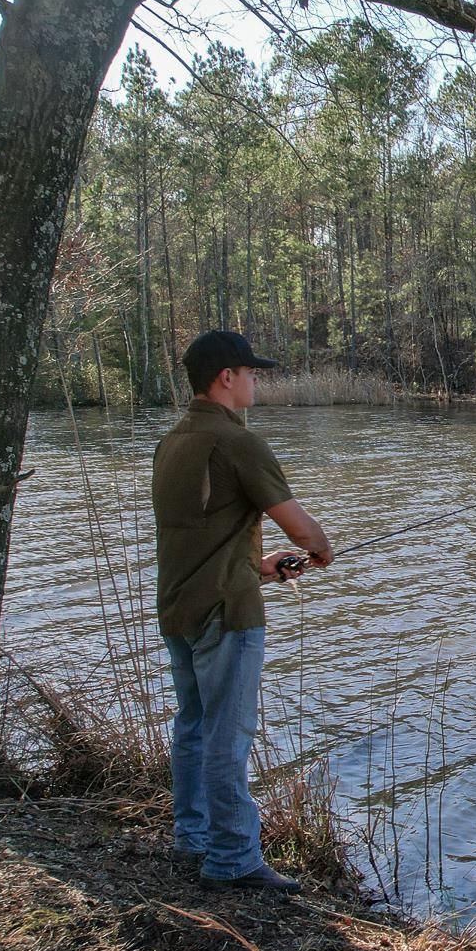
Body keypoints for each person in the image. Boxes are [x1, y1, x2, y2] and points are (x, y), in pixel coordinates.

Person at [152, 330, 332, 892]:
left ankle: (193, 836)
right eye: (251, 372)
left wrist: (261, 565)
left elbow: (201, 536)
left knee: (193, 728)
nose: (257, 380)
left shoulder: (172, 442)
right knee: (228, 737)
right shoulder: (239, 443)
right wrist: (320, 549)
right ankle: (232, 857)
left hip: (180, 607)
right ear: (226, 377)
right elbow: (300, 526)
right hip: (227, 615)